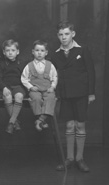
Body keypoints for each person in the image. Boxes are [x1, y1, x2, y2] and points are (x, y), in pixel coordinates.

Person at [52, 21, 95, 172]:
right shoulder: (55, 54)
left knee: (80, 126)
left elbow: (90, 71)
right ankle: (69, 158)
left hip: (82, 93)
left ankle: (80, 158)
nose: (64, 37)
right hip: (65, 94)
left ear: (73, 34)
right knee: (69, 126)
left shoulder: (82, 50)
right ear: (58, 36)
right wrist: (55, 93)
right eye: (61, 34)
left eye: (67, 34)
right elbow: (52, 75)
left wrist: (91, 93)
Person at [21, 40, 57, 131]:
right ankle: (41, 119)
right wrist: (30, 87)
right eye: (37, 50)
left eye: (42, 51)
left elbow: (54, 77)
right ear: (33, 52)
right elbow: (24, 78)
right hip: (35, 90)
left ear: (46, 53)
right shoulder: (29, 66)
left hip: (47, 89)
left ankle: (40, 120)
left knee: (50, 98)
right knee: (36, 99)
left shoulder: (50, 65)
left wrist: (52, 87)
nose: (39, 53)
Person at [0, 39, 26, 134]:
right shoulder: (1, 64)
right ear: (4, 52)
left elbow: (25, 78)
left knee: (19, 96)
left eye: (13, 50)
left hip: (18, 86)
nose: (10, 53)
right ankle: (14, 122)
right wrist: (3, 88)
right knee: (7, 97)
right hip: (6, 87)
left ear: (17, 52)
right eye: (7, 51)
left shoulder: (21, 63)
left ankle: (11, 122)